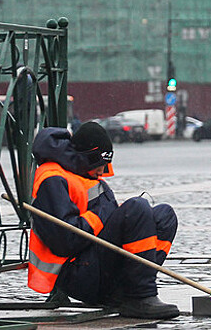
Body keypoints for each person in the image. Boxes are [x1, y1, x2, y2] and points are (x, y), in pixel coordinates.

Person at [29, 122, 179, 319]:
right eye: (100, 165)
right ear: (87, 158)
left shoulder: (86, 175)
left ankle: (130, 291)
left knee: (164, 216)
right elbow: (65, 242)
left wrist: (111, 215)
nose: (103, 171)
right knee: (136, 208)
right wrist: (103, 213)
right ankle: (141, 297)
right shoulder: (52, 178)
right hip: (76, 272)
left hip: (95, 266)